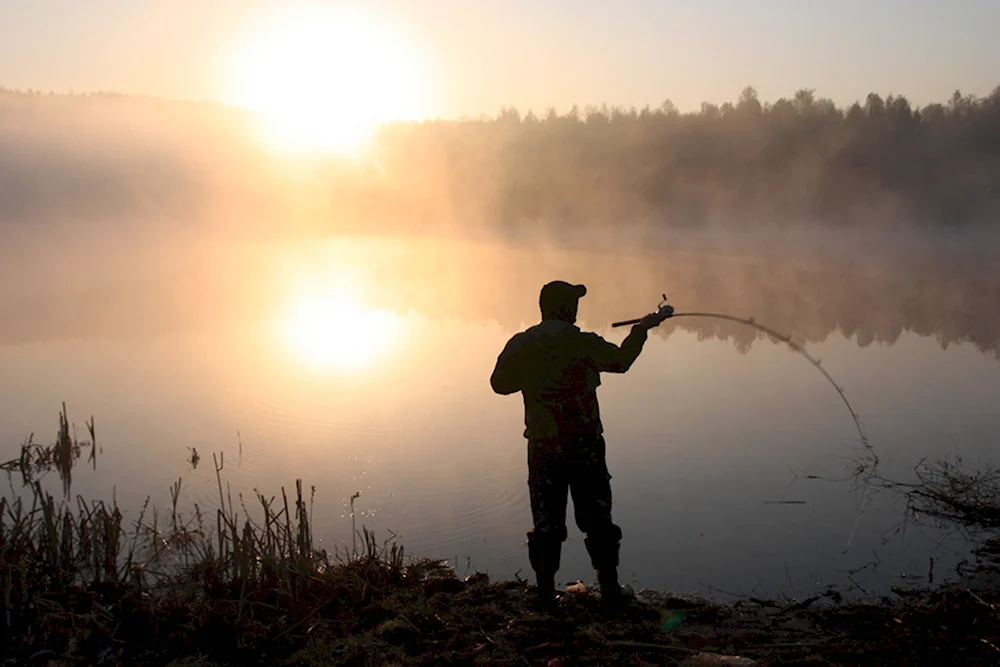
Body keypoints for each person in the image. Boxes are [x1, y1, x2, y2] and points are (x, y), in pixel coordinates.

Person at [489, 280, 672, 607]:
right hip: (585, 446)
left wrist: (534, 377)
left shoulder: (522, 344)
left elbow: (499, 384)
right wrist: (643, 328)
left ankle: (545, 595)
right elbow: (622, 361)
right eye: (574, 303)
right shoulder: (584, 343)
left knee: (547, 523)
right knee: (598, 521)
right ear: (569, 310)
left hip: (543, 447)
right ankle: (611, 592)